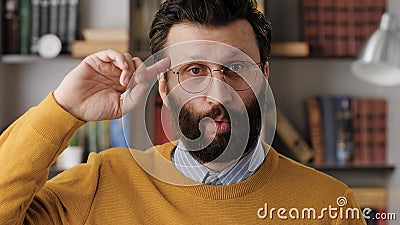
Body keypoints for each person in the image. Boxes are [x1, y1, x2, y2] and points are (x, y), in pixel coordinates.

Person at [0, 0, 366, 224]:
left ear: (264, 78)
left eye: (237, 69)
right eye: (194, 71)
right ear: (163, 85)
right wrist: (62, 109)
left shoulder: (327, 206)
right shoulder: (100, 184)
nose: (218, 93)